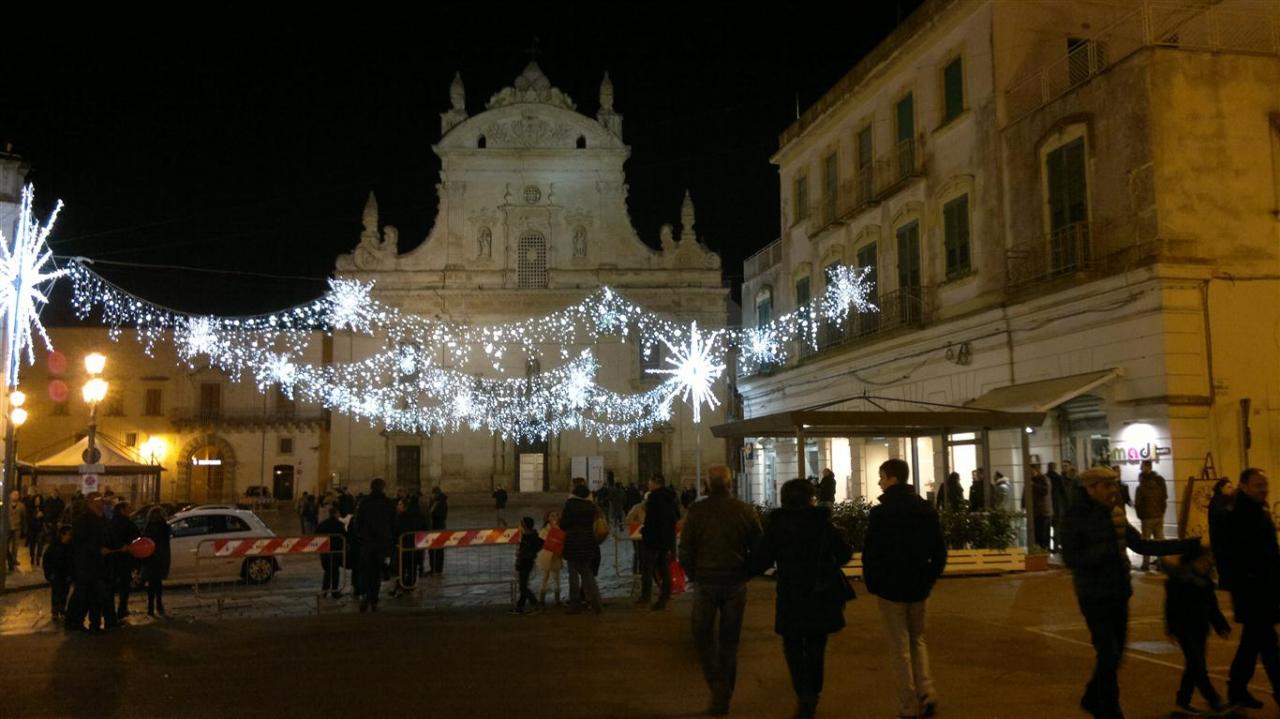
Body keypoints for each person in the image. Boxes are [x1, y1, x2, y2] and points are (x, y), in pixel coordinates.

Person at [1061, 466, 1199, 719]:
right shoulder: (1075, 516)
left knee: (1116, 653)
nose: (1113, 491)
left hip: (1119, 591)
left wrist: (1189, 544)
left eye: (1114, 485)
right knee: (1108, 653)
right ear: (1090, 489)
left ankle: (1092, 697)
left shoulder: (1115, 513)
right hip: (1093, 595)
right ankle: (1111, 710)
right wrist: (1102, 552)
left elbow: (1141, 545)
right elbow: (1070, 557)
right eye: (1107, 486)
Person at [752, 477, 852, 719]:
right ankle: (813, 692)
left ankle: (803, 693)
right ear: (810, 498)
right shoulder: (821, 523)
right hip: (818, 594)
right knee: (817, 646)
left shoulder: (778, 524)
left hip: (791, 593)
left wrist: (742, 571)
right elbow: (844, 553)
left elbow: (762, 558)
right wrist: (826, 567)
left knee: (793, 646)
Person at [862, 459, 947, 719]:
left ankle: (909, 705)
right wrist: (929, 578)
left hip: (890, 588)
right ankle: (927, 691)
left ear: (892, 478)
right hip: (918, 587)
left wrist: (873, 583)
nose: (879, 481)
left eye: (882, 476)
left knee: (899, 647)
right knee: (917, 640)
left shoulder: (881, 513)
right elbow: (939, 551)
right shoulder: (924, 508)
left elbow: (871, 553)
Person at [678, 464, 762, 716]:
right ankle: (724, 689)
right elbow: (759, 546)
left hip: (706, 580)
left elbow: (685, 549)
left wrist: (694, 574)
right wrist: (747, 572)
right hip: (735, 581)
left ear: (706, 484)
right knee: (729, 640)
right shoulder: (745, 510)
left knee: (702, 634)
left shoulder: (696, 510)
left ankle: (717, 684)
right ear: (730, 483)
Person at [1218, 468, 1280, 709]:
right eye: (1258, 485)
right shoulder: (1236, 515)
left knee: (1253, 643)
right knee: (1268, 644)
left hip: (1263, 588)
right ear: (1244, 486)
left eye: (1265, 484)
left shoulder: (1258, 510)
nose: (1263, 489)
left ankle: (1236, 690)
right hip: (1252, 590)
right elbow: (1236, 556)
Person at [1163, 545, 1231, 713]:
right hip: (1185, 630)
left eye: (1209, 562)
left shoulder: (1205, 582)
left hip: (1200, 629)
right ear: (1192, 561)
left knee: (1193, 666)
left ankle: (1183, 701)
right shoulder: (1180, 581)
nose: (1207, 565)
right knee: (1198, 667)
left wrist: (1221, 625)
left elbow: (1212, 607)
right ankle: (1214, 700)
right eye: (1204, 562)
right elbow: (1171, 607)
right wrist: (1171, 628)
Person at [65, 492, 118, 632]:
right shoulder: (83, 520)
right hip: (87, 565)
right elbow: (80, 542)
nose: (101, 501)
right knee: (86, 595)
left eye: (102, 499)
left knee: (97, 595)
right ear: (90, 502)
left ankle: (96, 623)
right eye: (98, 499)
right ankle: (78, 622)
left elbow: (109, 537)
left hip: (102, 565)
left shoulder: (104, 519)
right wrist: (97, 550)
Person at [353, 478, 396, 612]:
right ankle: (374, 599)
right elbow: (394, 524)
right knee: (376, 573)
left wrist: (361, 537)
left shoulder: (364, 503)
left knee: (365, 571)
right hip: (382, 544)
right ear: (383, 488)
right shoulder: (388, 503)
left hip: (367, 543)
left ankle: (365, 596)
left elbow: (357, 523)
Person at [559, 483, 603, 615]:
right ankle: (597, 604)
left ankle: (575, 604)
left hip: (573, 542)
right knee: (587, 573)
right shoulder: (591, 506)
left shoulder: (570, 505)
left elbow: (563, 524)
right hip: (588, 542)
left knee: (573, 574)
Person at [639, 473, 679, 610]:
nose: (648, 484)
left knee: (647, 568)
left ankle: (646, 597)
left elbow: (650, 520)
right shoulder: (671, 497)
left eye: (650, 482)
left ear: (656, 482)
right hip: (666, 538)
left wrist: (645, 532)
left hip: (653, 538)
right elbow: (676, 517)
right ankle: (666, 594)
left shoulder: (654, 497)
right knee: (664, 567)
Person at [106, 500, 139, 619]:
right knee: (124, 586)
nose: (130, 510)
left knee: (111, 586)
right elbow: (136, 539)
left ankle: (110, 612)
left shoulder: (110, 523)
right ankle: (122, 609)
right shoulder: (128, 523)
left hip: (112, 559)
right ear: (122, 510)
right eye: (128, 508)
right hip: (124, 559)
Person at [1134, 460, 1169, 572]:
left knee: (1146, 542)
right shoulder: (1159, 483)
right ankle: (1160, 564)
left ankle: (1145, 564)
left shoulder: (1141, 488)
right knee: (1159, 541)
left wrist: (1140, 516)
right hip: (1158, 516)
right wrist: (1162, 511)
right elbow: (1164, 498)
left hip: (1147, 518)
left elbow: (1138, 504)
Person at [141, 507, 171, 617]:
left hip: (150, 557)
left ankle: (150, 607)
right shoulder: (164, 526)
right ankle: (158, 605)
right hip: (159, 557)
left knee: (152, 584)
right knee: (157, 584)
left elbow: (145, 540)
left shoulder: (148, 527)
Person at [512, 516, 544, 615]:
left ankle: (535, 605)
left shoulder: (527, 538)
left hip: (525, 563)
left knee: (523, 587)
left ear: (524, 526)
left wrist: (520, 556)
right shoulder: (533, 536)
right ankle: (520, 606)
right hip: (528, 562)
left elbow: (524, 552)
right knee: (523, 585)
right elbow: (540, 544)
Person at [43, 525, 74, 620]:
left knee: (65, 592)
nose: (70, 536)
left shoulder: (70, 547)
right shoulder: (54, 547)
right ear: (62, 535)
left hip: (66, 575)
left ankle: (62, 609)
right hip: (56, 575)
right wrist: (49, 574)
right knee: (57, 592)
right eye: (69, 534)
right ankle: (55, 611)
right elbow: (47, 561)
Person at [317, 505, 346, 598]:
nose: (339, 515)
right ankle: (335, 591)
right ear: (335, 514)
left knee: (327, 571)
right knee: (335, 572)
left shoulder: (322, 524)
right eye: (338, 513)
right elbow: (344, 536)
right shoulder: (339, 524)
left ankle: (324, 591)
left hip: (325, 551)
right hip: (335, 551)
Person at [537, 510, 564, 606]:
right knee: (545, 577)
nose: (555, 518)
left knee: (556, 578)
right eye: (552, 516)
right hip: (546, 555)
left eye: (556, 516)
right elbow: (543, 542)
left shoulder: (560, 529)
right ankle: (541, 599)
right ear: (548, 518)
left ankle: (557, 600)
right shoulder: (544, 530)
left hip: (556, 555)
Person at [1048, 461, 1073, 552]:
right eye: (1063, 466)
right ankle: (1057, 546)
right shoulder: (1059, 479)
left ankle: (1057, 546)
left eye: (1066, 466)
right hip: (1060, 507)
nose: (1064, 468)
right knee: (1058, 527)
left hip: (1061, 507)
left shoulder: (1069, 480)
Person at [1029, 464, 1053, 550]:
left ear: (1037, 470)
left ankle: (1044, 551)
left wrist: (1033, 485)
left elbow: (1045, 491)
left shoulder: (1043, 479)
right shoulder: (1032, 480)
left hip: (1043, 512)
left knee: (1043, 535)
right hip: (1036, 512)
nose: (1030, 473)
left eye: (1031, 471)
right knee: (1037, 535)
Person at [427, 486, 449, 575]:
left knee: (438, 550)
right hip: (435, 527)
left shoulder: (441, 503)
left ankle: (438, 568)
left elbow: (438, 514)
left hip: (438, 527)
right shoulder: (435, 502)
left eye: (433, 494)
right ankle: (433, 568)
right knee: (432, 550)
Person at [6, 490, 25, 572]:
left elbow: (24, 517)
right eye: (14, 494)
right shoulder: (6, 504)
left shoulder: (21, 506)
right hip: (7, 528)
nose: (16, 496)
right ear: (10, 495)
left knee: (15, 546)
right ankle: (10, 558)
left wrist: (24, 528)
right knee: (5, 546)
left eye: (17, 494)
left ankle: (13, 560)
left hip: (17, 527)